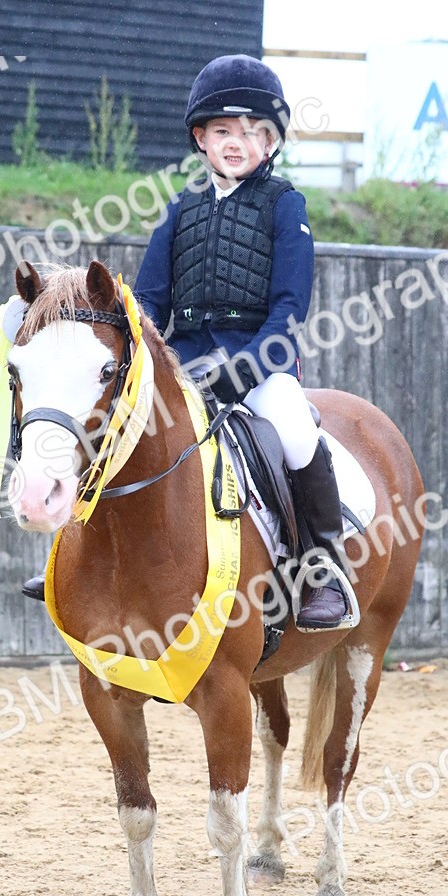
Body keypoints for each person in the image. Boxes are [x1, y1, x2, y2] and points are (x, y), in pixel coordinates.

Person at [132, 53, 349, 629]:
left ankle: (323, 570)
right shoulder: (180, 209)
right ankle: (83, 551)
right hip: (184, 361)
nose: (236, 142)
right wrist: (141, 356)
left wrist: (245, 370)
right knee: (113, 425)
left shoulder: (284, 204)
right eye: (223, 130)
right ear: (200, 138)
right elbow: (148, 300)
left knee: (297, 434)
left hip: (262, 363)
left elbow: (289, 310)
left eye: (253, 132)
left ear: (271, 142)